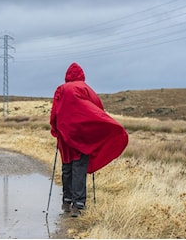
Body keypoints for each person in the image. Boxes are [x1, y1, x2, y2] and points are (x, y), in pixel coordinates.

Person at [50, 62, 129, 217]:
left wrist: (56, 130)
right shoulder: (87, 89)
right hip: (82, 136)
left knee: (67, 167)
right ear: (82, 75)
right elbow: (97, 110)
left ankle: (66, 201)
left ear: (67, 76)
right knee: (79, 167)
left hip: (65, 137)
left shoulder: (61, 89)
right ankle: (78, 206)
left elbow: (54, 113)